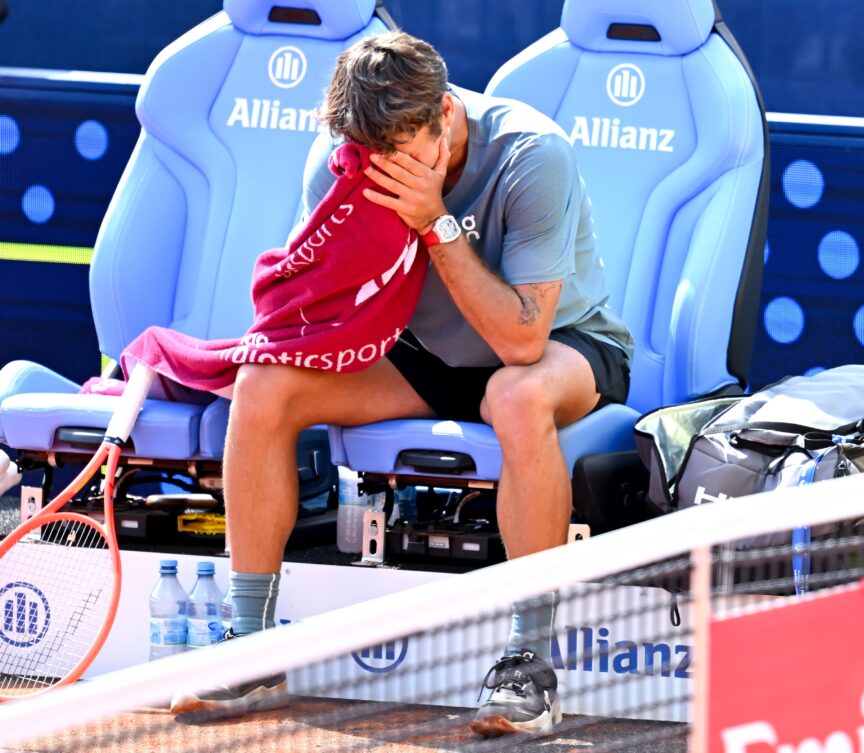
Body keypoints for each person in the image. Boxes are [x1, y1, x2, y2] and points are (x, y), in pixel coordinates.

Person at [169, 31, 633, 737]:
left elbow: (521, 339)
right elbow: (312, 306)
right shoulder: (343, 168)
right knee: (263, 383)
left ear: (445, 114)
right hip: (420, 356)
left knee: (513, 394)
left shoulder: (534, 155)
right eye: (369, 160)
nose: (383, 174)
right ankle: (251, 644)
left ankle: (527, 664)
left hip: (560, 348)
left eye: (405, 155)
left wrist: (435, 225)